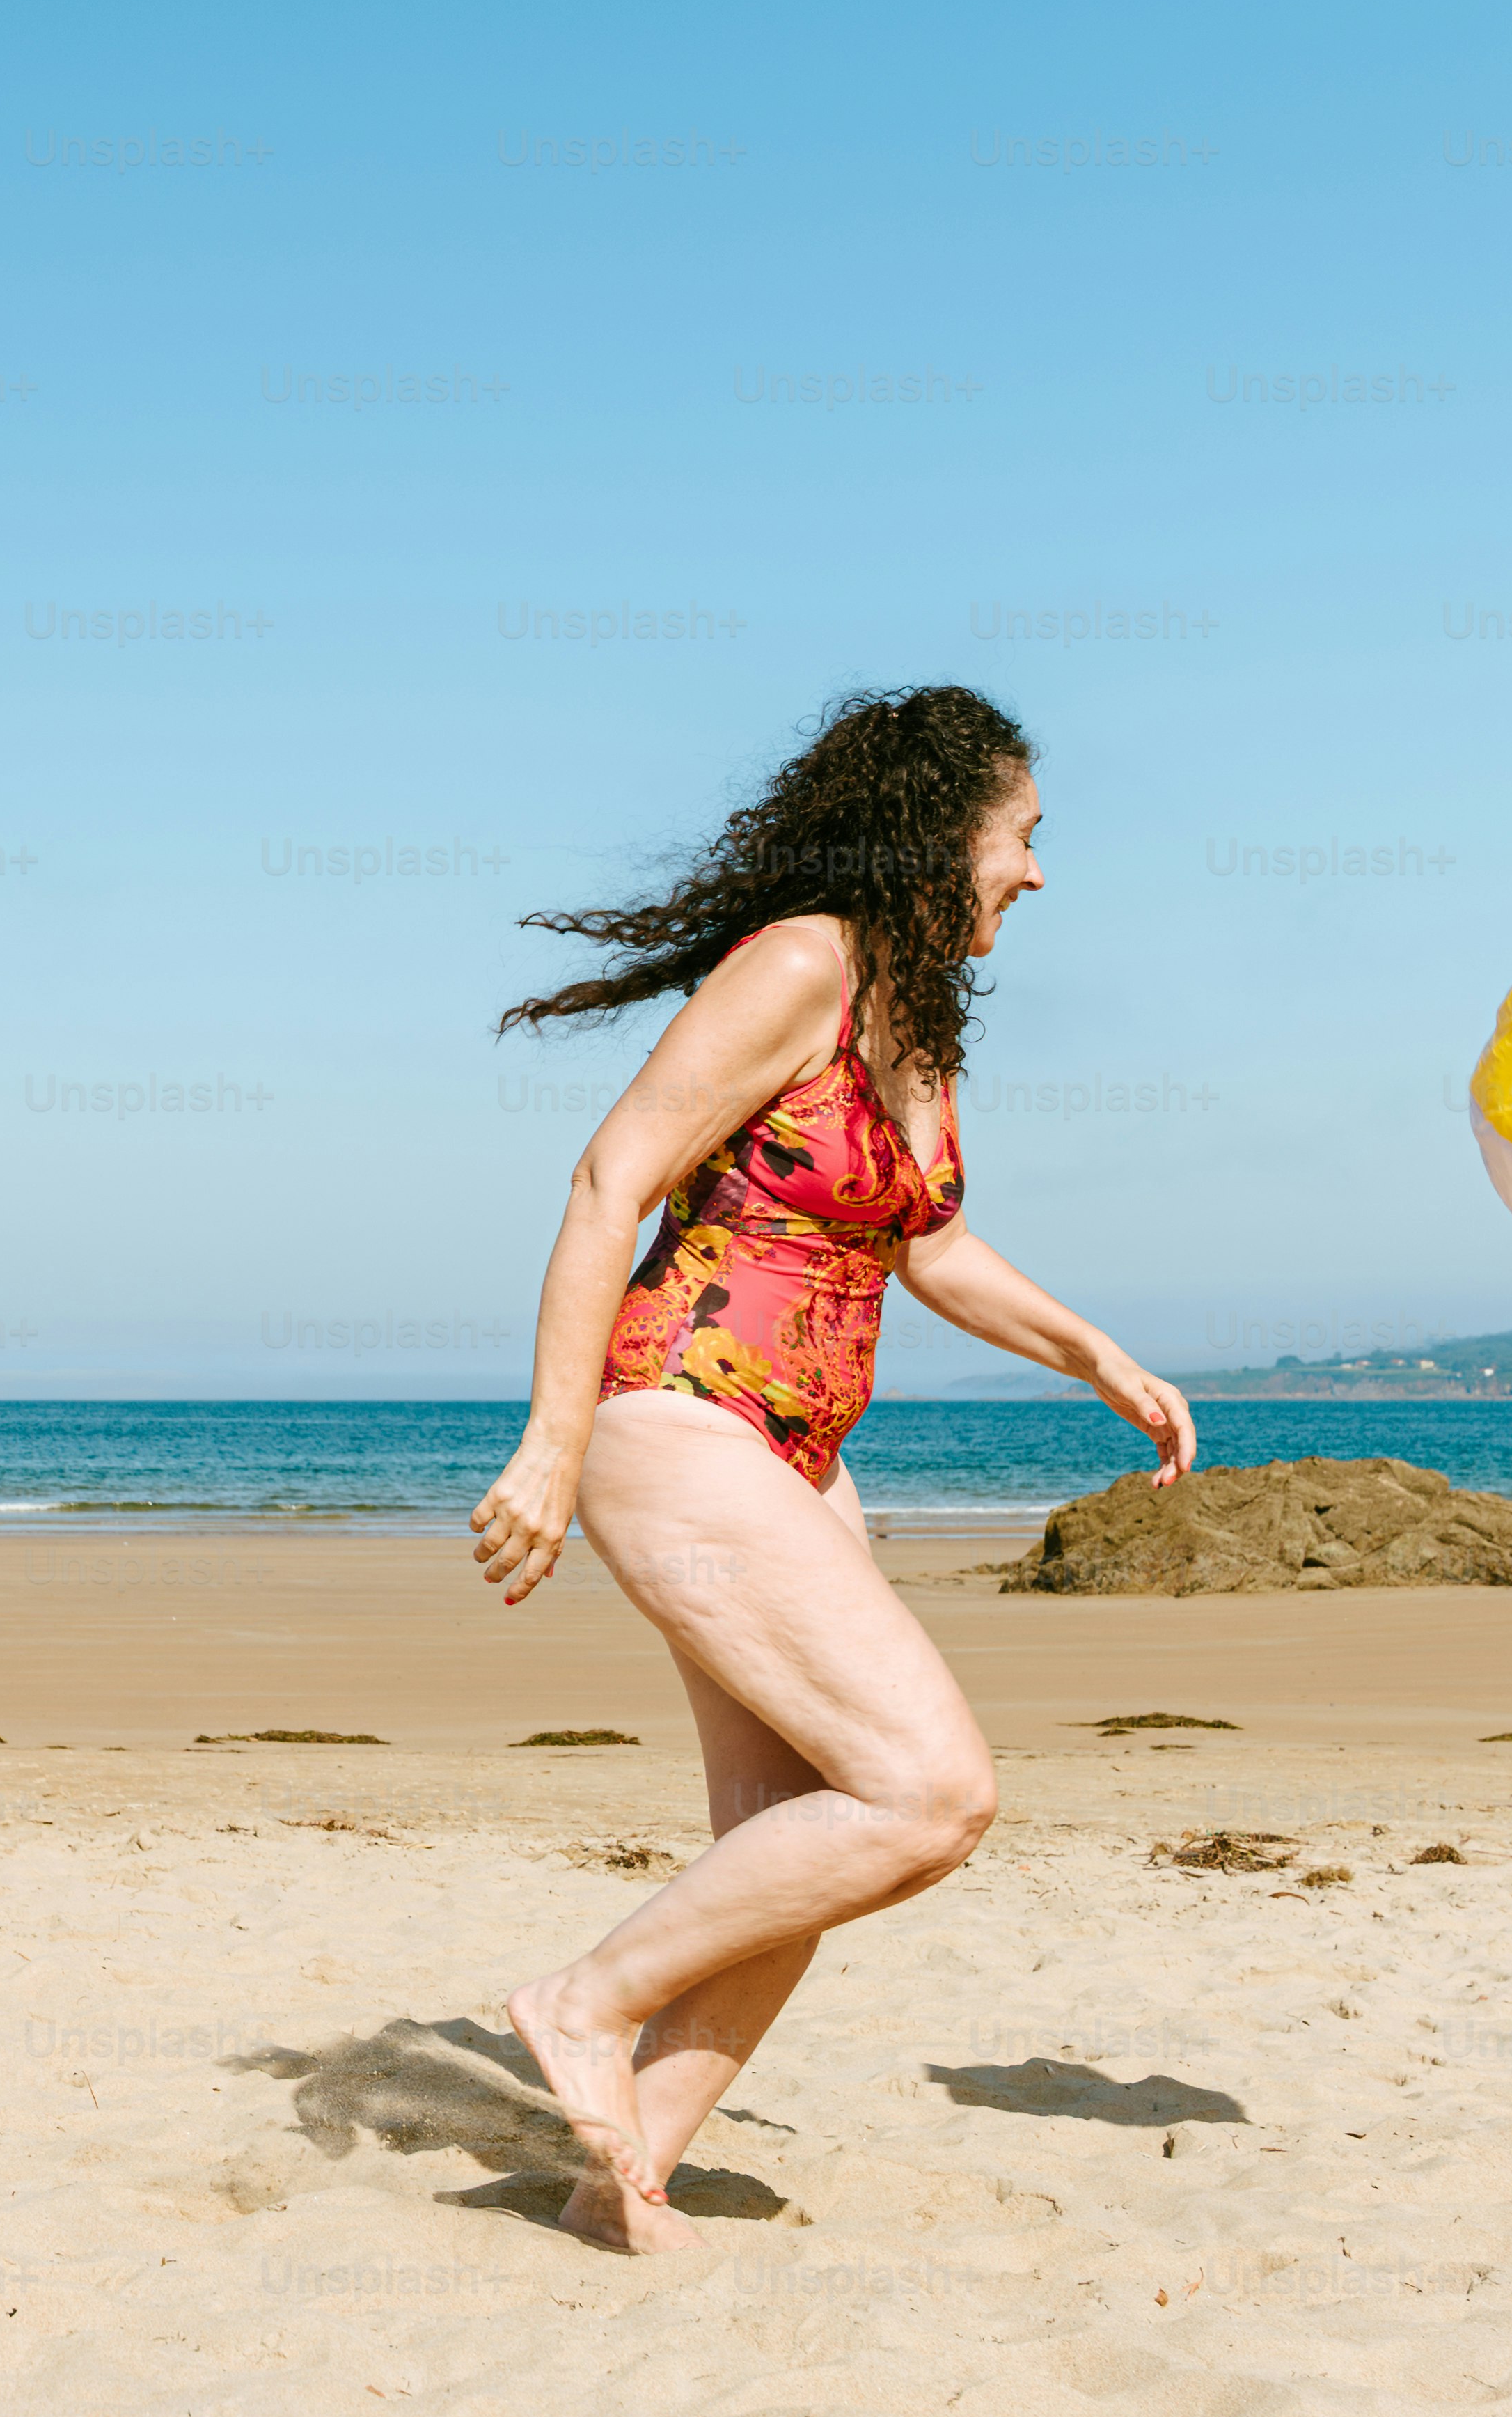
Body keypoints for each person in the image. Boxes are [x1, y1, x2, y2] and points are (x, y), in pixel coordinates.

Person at [469, 683, 1188, 2253]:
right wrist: (548, 1439)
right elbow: (611, 1177)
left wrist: (1097, 1358)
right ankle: (579, 2003)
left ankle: (625, 2175)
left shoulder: (913, 1014)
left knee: (787, 1855)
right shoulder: (799, 960)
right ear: (945, 831)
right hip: (679, 1417)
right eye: (1024, 838)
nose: (1039, 873)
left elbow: (928, 1241)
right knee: (928, 1793)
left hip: (798, 1455)